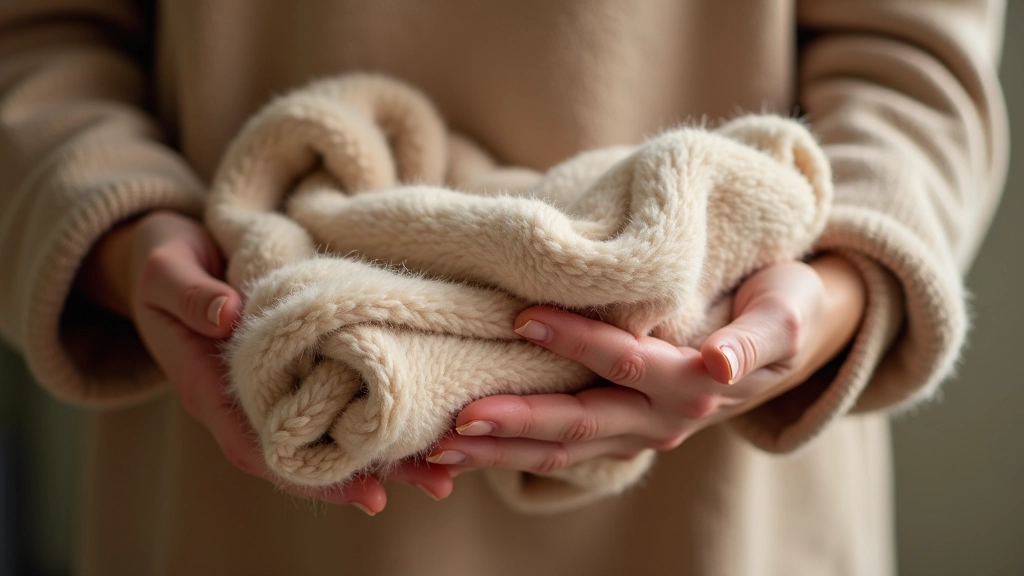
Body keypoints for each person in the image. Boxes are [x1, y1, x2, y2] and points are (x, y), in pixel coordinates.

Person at [0, 1, 1008, 574]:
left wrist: (812, 310)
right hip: (239, 500)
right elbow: (37, 38)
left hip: (712, 516)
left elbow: (911, 70)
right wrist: (126, 240)